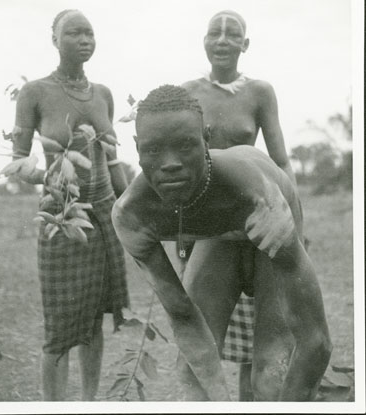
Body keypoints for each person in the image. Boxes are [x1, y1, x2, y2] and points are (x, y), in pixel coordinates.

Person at [112, 85, 331, 401]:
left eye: (186, 145)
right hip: (223, 234)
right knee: (191, 373)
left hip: (265, 214)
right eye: (154, 149)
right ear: (137, 147)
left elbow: (316, 341)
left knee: (271, 375)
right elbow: (183, 317)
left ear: (206, 139)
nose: (170, 163)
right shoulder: (131, 215)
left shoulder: (259, 199)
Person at [178, 9, 298, 400]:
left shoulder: (259, 92)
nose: (224, 41)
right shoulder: (188, 93)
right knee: (200, 338)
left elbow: (280, 160)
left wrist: (293, 220)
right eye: (216, 33)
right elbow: (179, 163)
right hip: (208, 223)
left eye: (233, 35)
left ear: (245, 45)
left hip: (255, 219)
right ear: (204, 40)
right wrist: (181, 224)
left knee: (266, 342)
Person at [11, 9, 129, 401]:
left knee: (92, 321)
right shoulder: (34, 93)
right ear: (54, 39)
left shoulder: (104, 95)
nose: (84, 40)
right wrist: (50, 175)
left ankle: (89, 404)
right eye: (74, 33)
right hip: (62, 217)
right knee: (61, 328)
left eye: (90, 33)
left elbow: (113, 167)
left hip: (103, 216)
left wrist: (131, 212)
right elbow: (19, 161)